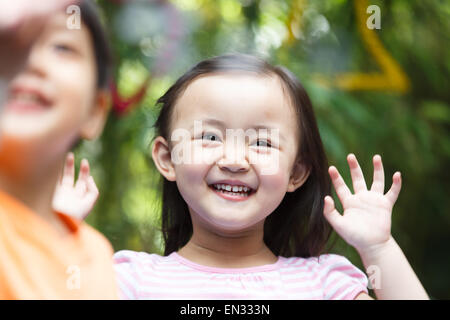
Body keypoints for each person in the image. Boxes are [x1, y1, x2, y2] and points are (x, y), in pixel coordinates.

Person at [57, 54, 429, 299]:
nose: (235, 159)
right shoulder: (128, 282)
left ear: (296, 171)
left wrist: (378, 249)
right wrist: (50, 238)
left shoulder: (323, 286)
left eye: (262, 142)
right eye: (210, 137)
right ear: (167, 158)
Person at [0, 0, 117, 299]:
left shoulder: (97, 256)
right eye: (8, 46)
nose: (30, 59)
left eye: (62, 47)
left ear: (94, 111)